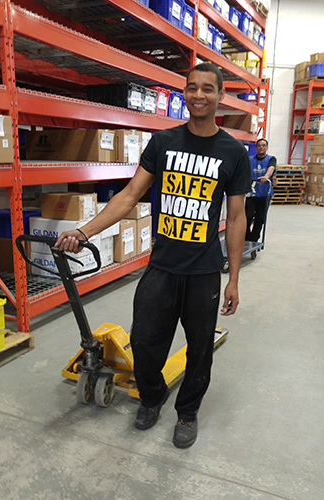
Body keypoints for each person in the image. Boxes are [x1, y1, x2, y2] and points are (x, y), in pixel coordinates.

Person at [56, 62, 252, 449]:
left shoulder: (233, 153)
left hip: (203, 271)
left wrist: (233, 279)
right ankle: (152, 396)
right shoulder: (162, 142)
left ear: (220, 97)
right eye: (192, 87)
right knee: (144, 341)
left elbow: (236, 215)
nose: (199, 95)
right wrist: (84, 230)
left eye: (207, 89)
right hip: (162, 266)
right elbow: (129, 195)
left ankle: (188, 412)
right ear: (184, 93)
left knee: (199, 350)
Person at [245, 138, 277, 242]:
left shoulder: (271, 159)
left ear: (266, 147)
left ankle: (254, 239)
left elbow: (271, 168)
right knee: (247, 217)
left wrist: (266, 177)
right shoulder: (249, 159)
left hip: (265, 193)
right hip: (252, 193)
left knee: (260, 218)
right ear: (256, 147)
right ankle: (247, 237)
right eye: (259, 145)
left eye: (263, 145)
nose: (261, 147)